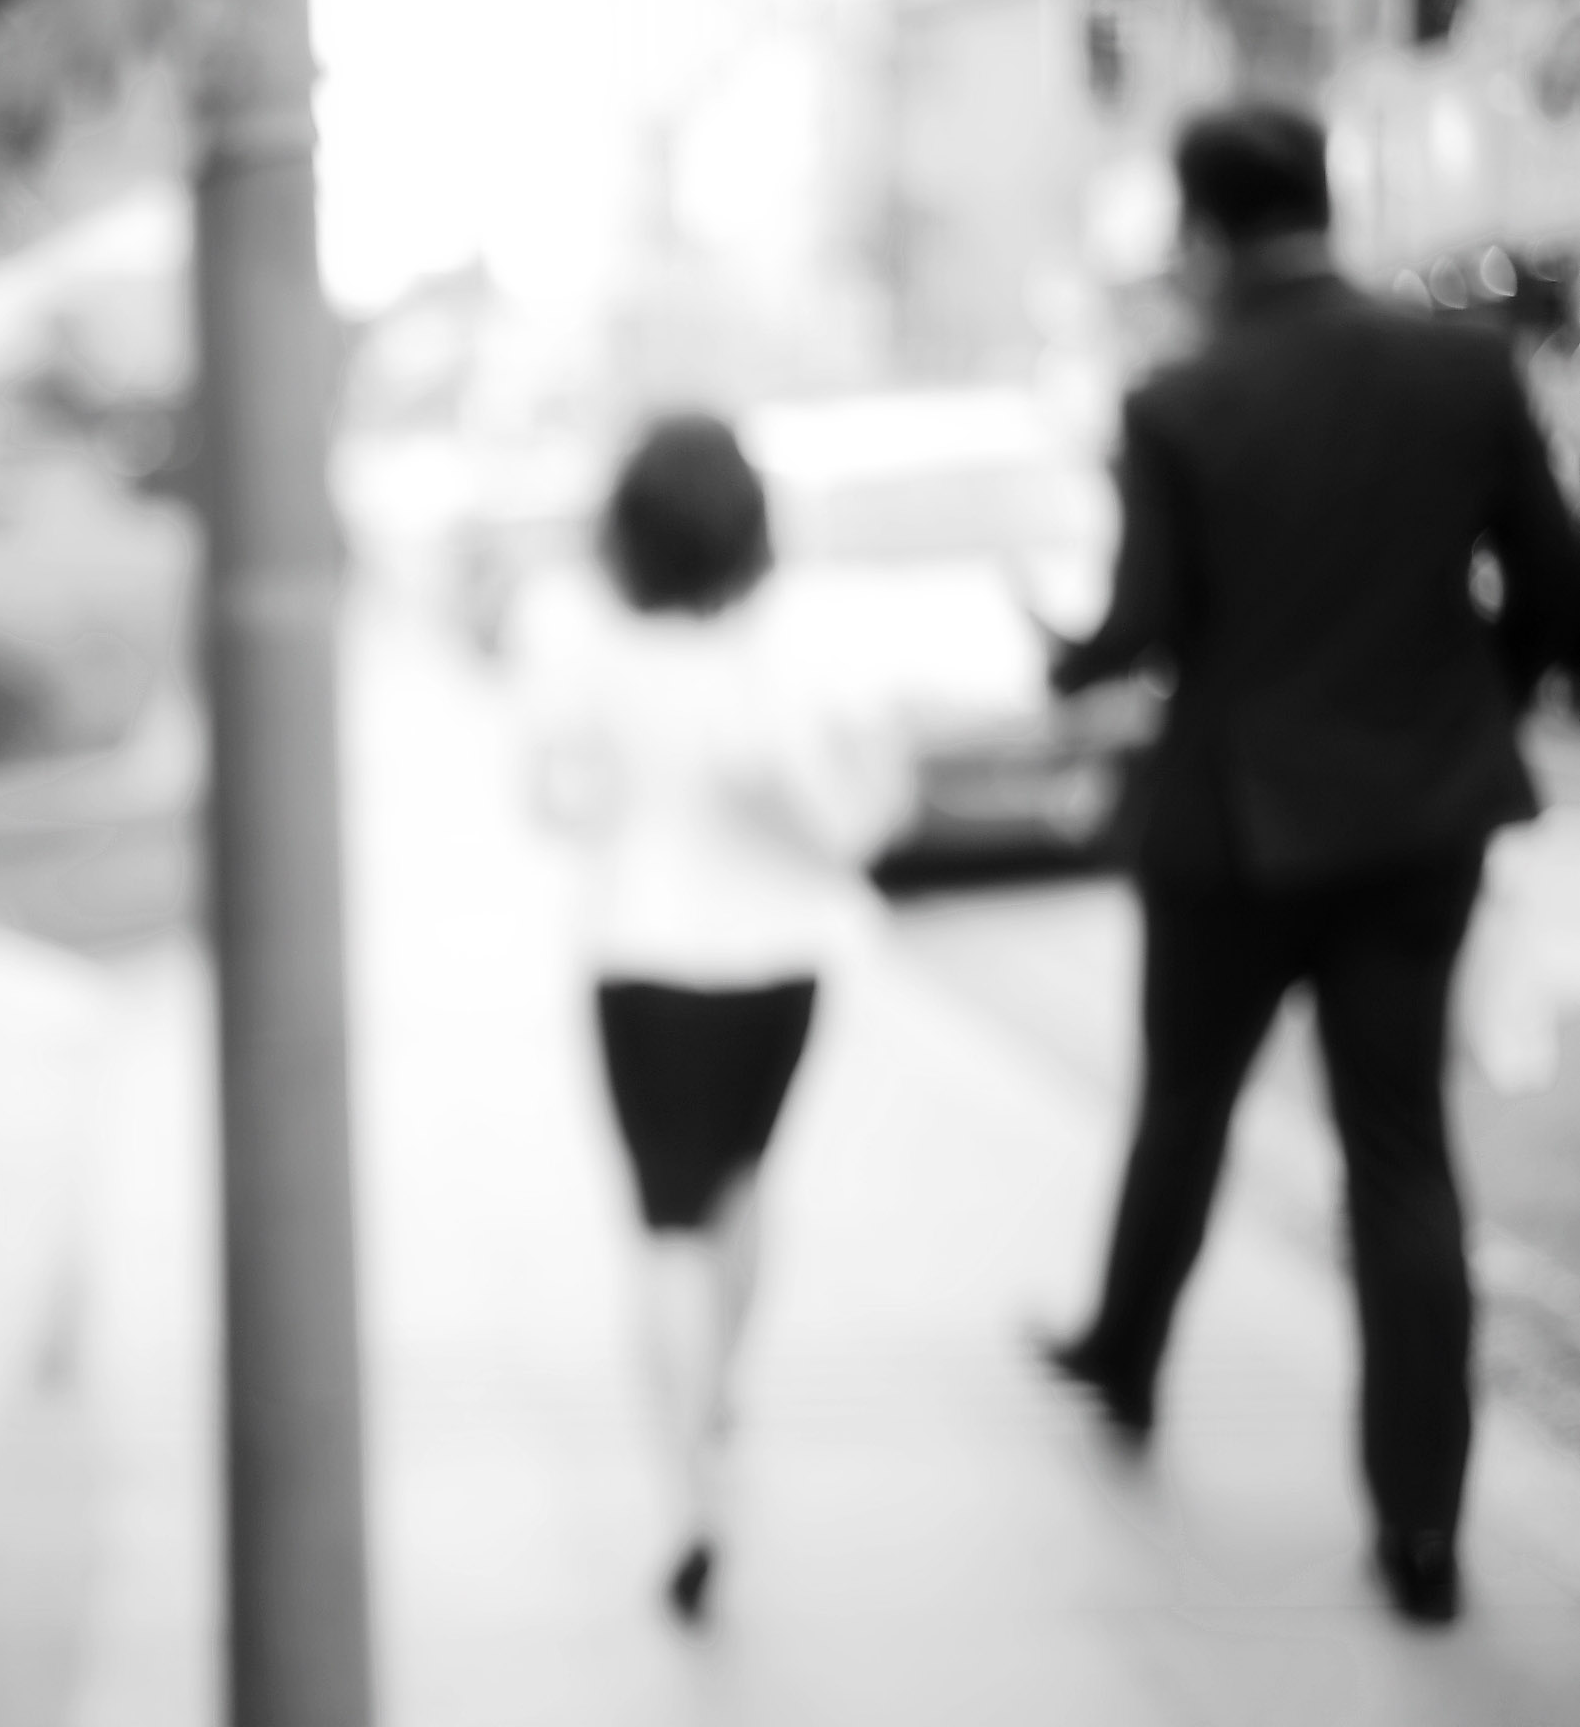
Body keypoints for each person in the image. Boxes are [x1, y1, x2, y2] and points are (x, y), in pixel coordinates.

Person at [1041, 103, 1580, 1626]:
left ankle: (1125, 1354)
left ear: (1202, 232)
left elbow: (1142, 622)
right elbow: (1559, 586)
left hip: (1229, 831)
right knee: (1401, 1158)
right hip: (1417, 820)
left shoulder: (1178, 398)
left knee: (1186, 1103)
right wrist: (1466, 688)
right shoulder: (1462, 369)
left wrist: (1068, 658)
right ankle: (1422, 1528)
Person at [520, 414, 907, 1622]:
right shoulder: (796, 637)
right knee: (742, 1183)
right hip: (789, 957)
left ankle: (691, 1492)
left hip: (642, 958)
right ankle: (719, 1394)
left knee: (665, 1222)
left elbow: (556, 800)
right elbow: (878, 806)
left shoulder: (583, 637)